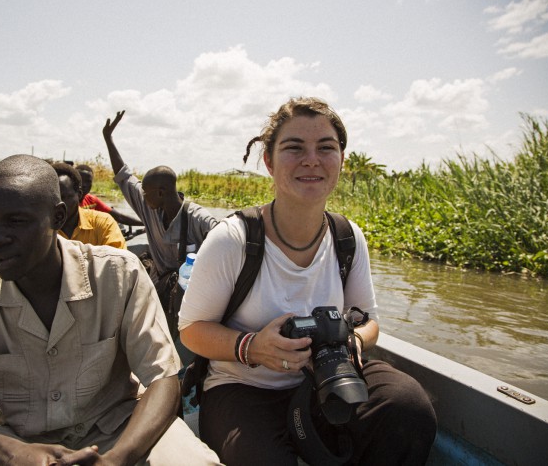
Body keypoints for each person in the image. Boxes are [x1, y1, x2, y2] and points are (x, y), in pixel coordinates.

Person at [179, 97, 437, 465]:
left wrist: (348, 341)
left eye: (325, 148)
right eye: (294, 148)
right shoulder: (232, 240)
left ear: (341, 161)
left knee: (408, 407)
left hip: (326, 380)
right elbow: (190, 330)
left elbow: (369, 322)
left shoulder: (348, 237)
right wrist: (253, 347)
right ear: (269, 161)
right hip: (243, 386)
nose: (311, 160)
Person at [0, 154, 219, 465]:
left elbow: (162, 379)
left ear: (58, 217)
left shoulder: (118, 274)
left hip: (118, 431)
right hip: (20, 441)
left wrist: (118, 459)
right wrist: (12, 454)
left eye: (16, 221)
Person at [102, 111, 218, 302]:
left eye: (146, 193)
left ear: (161, 193)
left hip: (193, 294)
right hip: (161, 287)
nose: (143, 196)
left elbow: (227, 242)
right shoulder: (149, 207)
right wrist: (108, 139)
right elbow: (124, 176)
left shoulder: (198, 218)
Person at [51, 162, 126, 249]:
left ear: (79, 194)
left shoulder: (103, 223)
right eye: (52, 198)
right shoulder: (40, 227)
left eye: (63, 197)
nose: (58, 204)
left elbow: (118, 259)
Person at [76, 164, 143, 227]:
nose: (84, 185)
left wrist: (144, 223)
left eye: (88, 181)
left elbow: (119, 217)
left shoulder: (92, 200)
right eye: (81, 181)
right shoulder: (69, 202)